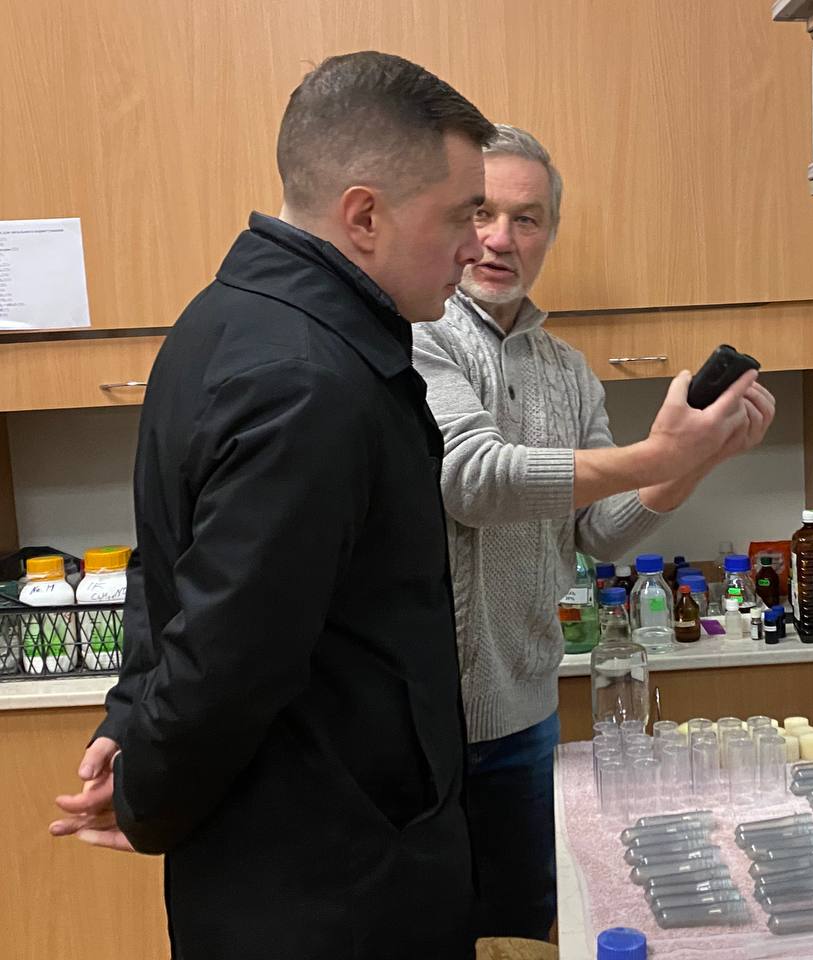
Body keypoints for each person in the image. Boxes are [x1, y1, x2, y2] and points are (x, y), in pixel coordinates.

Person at [49, 52, 494, 960]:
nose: (477, 246)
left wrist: (132, 719)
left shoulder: (229, 318)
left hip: (306, 858)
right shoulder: (308, 383)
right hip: (331, 887)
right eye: (461, 215)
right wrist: (147, 793)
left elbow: (172, 571)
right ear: (364, 216)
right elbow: (227, 657)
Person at [412, 124, 776, 940]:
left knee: (523, 934)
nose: (500, 239)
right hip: (423, 732)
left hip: (527, 714)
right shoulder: (417, 336)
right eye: (482, 213)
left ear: (550, 234)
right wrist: (658, 453)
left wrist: (694, 462)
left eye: (527, 219)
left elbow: (601, 533)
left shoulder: (568, 371)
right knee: (427, 938)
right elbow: (472, 479)